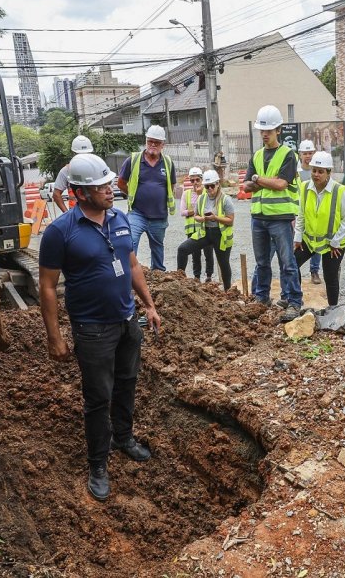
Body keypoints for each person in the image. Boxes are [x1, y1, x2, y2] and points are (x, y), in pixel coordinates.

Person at [38, 153, 160, 502]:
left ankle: (123, 438)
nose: (110, 189)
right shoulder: (61, 232)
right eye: (101, 186)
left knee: (127, 383)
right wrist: (55, 336)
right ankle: (98, 463)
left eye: (108, 183)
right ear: (80, 193)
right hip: (92, 329)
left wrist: (148, 305)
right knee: (98, 397)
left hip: (127, 321)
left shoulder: (120, 219)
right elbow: (47, 286)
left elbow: (132, 264)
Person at [244, 104, 302, 320]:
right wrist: (261, 181)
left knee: (287, 262)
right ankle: (262, 298)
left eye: (269, 130)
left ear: (278, 130)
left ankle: (294, 301)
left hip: (280, 218)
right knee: (262, 263)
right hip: (258, 217)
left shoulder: (288, 154)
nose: (265, 134)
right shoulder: (257, 155)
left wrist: (258, 179)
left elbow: (281, 184)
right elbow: (246, 187)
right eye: (262, 130)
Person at [294, 151, 345, 306]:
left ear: (328, 173)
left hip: (332, 244)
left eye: (320, 171)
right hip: (310, 239)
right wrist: (298, 237)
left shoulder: (340, 191)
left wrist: (336, 241)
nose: (316, 174)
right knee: (292, 265)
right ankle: (295, 301)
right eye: (314, 170)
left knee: (330, 276)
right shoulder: (305, 187)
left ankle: (333, 309)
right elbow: (301, 214)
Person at [118, 125, 176, 271]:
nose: (153, 145)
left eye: (157, 142)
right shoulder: (133, 160)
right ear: (146, 141)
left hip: (159, 216)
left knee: (157, 248)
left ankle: (158, 277)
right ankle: (129, 274)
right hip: (137, 213)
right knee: (130, 242)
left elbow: (171, 185)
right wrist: (135, 196)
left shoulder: (168, 163)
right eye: (150, 141)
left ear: (163, 144)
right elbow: (121, 183)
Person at [177, 170, 234, 290]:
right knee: (182, 249)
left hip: (220, 235)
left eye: (212, 186)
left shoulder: (225, 200)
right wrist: (202, 218)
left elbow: (230, 220)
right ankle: (178, 283)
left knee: (223, 264)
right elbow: (196, 215)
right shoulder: (202, 199)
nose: (209, 189)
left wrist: (215, 218)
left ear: (218, 184)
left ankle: (228, 291)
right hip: (205, 233)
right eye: (207, 186)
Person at [178, 167, 215, 283]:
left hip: (206, 228)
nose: (195, 183)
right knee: (195, 255)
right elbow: (182, 212)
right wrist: (196, 211)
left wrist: (192, 210)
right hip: (192, 230)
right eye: (192, 180)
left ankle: (209, 276)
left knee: (208, 253)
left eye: (197, 180)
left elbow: (209, 210)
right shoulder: (186, 194)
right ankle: (197, 277)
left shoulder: (207, 192)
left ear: (201, 179)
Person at [297, 140, 322, 285]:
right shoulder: (296, 171)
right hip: (300, 211)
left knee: (316, 241)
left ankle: (314, 271)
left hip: (316, 211)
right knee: (298, 242)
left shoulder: (317, 170)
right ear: (300, 154)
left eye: (310, 153)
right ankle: (296, 273)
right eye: (305, 153)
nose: (308, 156)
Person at [52, 135, 94, 213]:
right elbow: (56, 194)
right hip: (76, 214)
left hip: (95, 212)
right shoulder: (67, 170)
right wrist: (67, 214)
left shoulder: (97, 168)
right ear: (74, 153)